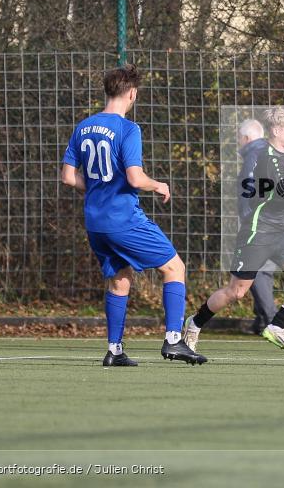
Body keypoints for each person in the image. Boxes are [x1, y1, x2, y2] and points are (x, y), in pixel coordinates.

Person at [61, 64, 206, 367]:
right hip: (122, 219)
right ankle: (173, 341)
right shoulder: (128, 129)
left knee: (120, 280)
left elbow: (67, 177)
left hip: (95, 222)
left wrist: (98, 187)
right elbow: (136, 178)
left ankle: (114, 350)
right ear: (132, 93)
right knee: (174, 268)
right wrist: (159, 185)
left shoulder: (83, 126)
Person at [184, 105, 284, 353]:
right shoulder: (267, 158)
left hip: (281, 233)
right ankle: (194, 324)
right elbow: (282, 195)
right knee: (236, 291)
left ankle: (277, 327)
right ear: (277, 130)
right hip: (258, 233)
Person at [236, 118, 278, 334]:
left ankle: (273, 321)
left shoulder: (254, 154)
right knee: (263, 269)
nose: (238, 144)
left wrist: (247, 218)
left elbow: (249, 188)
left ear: (246, 138)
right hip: (272, 218)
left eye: (238, 140)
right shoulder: (271, 151)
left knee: (257, 270)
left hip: (258, 221)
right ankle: (262, 319)